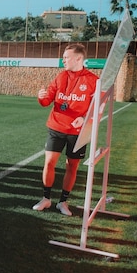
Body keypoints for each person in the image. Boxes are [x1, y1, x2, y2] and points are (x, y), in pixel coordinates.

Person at [32, 43, 98, 216]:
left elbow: (98, 107)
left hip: (78, 132)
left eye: (66, 57)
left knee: (72, 167)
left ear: (78, 58)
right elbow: (47, 101)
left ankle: (63, 201)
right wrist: (41, 97)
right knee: (49, 163)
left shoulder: (93, 81)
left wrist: (85, 118)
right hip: (56, 126)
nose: (63, 60)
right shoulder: (60, 77)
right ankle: (46, 198)